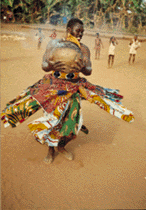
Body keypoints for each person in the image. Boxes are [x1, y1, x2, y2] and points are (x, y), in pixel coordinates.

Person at [1, 18, 134, 165]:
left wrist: (83, 67)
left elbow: (89, 71)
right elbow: (44, 65)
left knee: (73, 124)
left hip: (74, 88)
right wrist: (51, 64)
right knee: (54, 120)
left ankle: (61, 146)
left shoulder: (84, 49)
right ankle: (51, 151)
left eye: (82, 32)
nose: (81, 34)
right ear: (69, 30)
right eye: (78, 31)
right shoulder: (54, 44)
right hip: (54, 88)